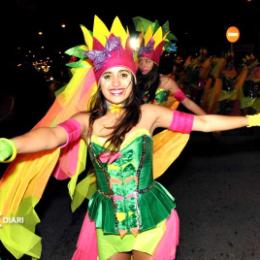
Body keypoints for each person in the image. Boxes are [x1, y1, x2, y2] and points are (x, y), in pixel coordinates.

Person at [0, 16, 260, 260]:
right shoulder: (85, 121)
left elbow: (202, 122)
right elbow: (51, 136)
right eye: (108, 76)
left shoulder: (149, 114)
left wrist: (253, 119)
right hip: (109, 223)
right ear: (98, 82)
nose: (116, 82)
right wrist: (13, 145)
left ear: (133, 80)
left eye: (124, 74)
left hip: (150, 216)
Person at [135, 20, 206, 115]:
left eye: (147, 61)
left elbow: (187, 103)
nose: (143, 65)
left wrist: (206, 118)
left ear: (156, 63)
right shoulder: (135, 79)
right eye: (140, 61)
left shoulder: (167, 82)